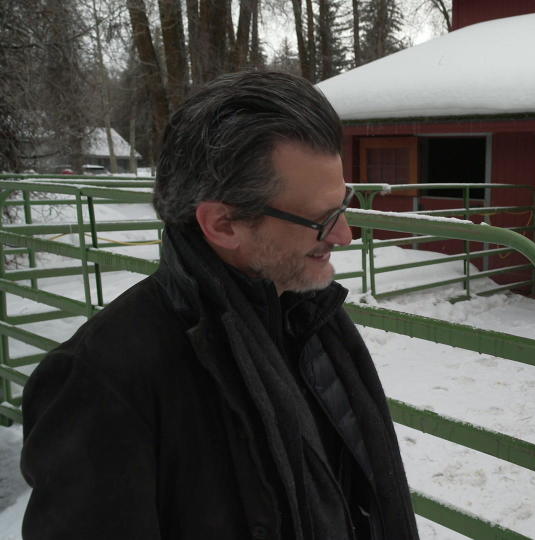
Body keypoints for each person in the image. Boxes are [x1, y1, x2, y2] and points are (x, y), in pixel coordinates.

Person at [20, 71, 419, 540]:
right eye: (321, 218)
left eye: (344, 203)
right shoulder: (103, 381)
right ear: (224, 224)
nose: (344, 234)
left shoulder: (312, 317)